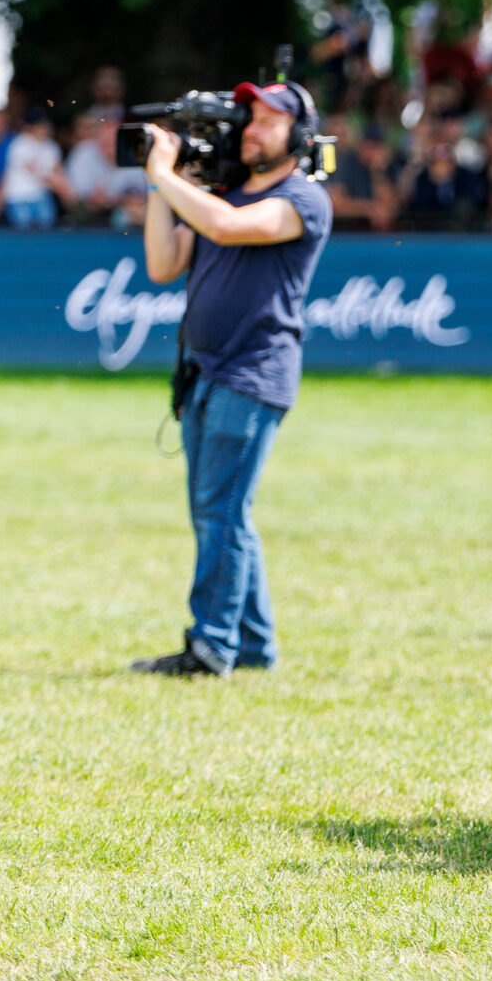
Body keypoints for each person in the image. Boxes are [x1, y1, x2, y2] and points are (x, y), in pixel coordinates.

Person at [130, 82, 334, 678]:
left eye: (270, 122)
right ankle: (252, 646)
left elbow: (226, 228)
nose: (252, 130)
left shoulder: (303, 199)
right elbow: (163, 263)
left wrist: (168, 174)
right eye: (251, 119)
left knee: (221, 510)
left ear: (298, 137)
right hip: (206, 373)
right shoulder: (227, 192)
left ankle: (211, 646)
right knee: (220, 511)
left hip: (253, 372)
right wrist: (160, 184)